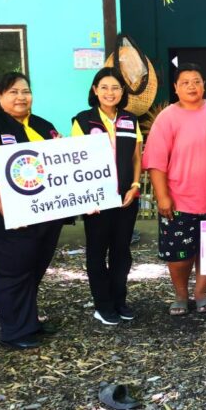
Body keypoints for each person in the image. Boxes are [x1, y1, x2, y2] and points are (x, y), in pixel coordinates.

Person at [0, 72, 64, 349]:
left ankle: (29, 322)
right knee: (12, 274)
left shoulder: (43, 126)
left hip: (43, 214)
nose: (21, 97)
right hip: (5, 219)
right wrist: (7, 212)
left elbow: (63, 163)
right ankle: (14, 332)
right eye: (13, 92)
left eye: (25, 91)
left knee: (33, 269)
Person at [143, 64, 206, 316]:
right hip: (179, 199)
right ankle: (180, 294)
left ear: (204, 85)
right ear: (176, 88)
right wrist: (162, 196)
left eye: (196, 81)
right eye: (185, 82)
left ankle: (201, 293)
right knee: (179, 254)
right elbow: (156, 161)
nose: (191, 86)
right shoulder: (167, 117)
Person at [71, 68, 143, 326]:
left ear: (122, 92)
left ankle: (119, 300)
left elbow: (136, 157)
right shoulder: (83, 120)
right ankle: (102, 305)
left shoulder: (130, 120)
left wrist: (135, 185)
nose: (110, 93)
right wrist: (86, 197)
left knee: (122, 251)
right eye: (104, 87)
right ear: (95, 90)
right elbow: (75, 161)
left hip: (125, 198)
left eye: (115, 87)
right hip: (96, 201)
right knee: (97, 252)